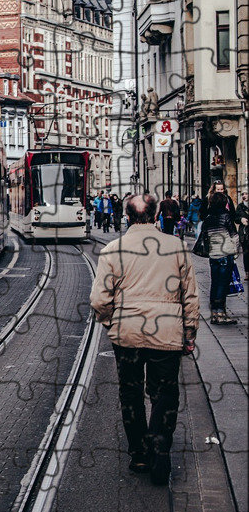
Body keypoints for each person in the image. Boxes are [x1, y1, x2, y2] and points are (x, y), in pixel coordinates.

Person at [90, 194, 199, 485]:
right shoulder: (177, 247)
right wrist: (189, 334)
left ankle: (139, 453)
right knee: (165, 393)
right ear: (155, 216)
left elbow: (99, 299)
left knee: (131, 393)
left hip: (127, 334)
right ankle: (160, 444)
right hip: (167, 332)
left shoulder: (114, 249)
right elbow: (190, 297)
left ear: (126, 217)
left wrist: (111, 322)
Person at [204, 192, 240, 325]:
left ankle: (214, 313)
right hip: (225, 254)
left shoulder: (208, 217)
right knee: (223, 285)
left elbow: (205, 237)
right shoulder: (226, 216)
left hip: (214, 255)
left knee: (215, 283)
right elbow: (234, 235)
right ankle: (221, 313)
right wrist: (235, 251)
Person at [238, 191, 249, 279]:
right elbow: (235, 218)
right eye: (243, 194)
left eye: (246, 194)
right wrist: (241, 219)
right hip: (244, 233)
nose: (244, 196)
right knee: (246, 253)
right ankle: (247, 272)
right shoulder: (240, 206)